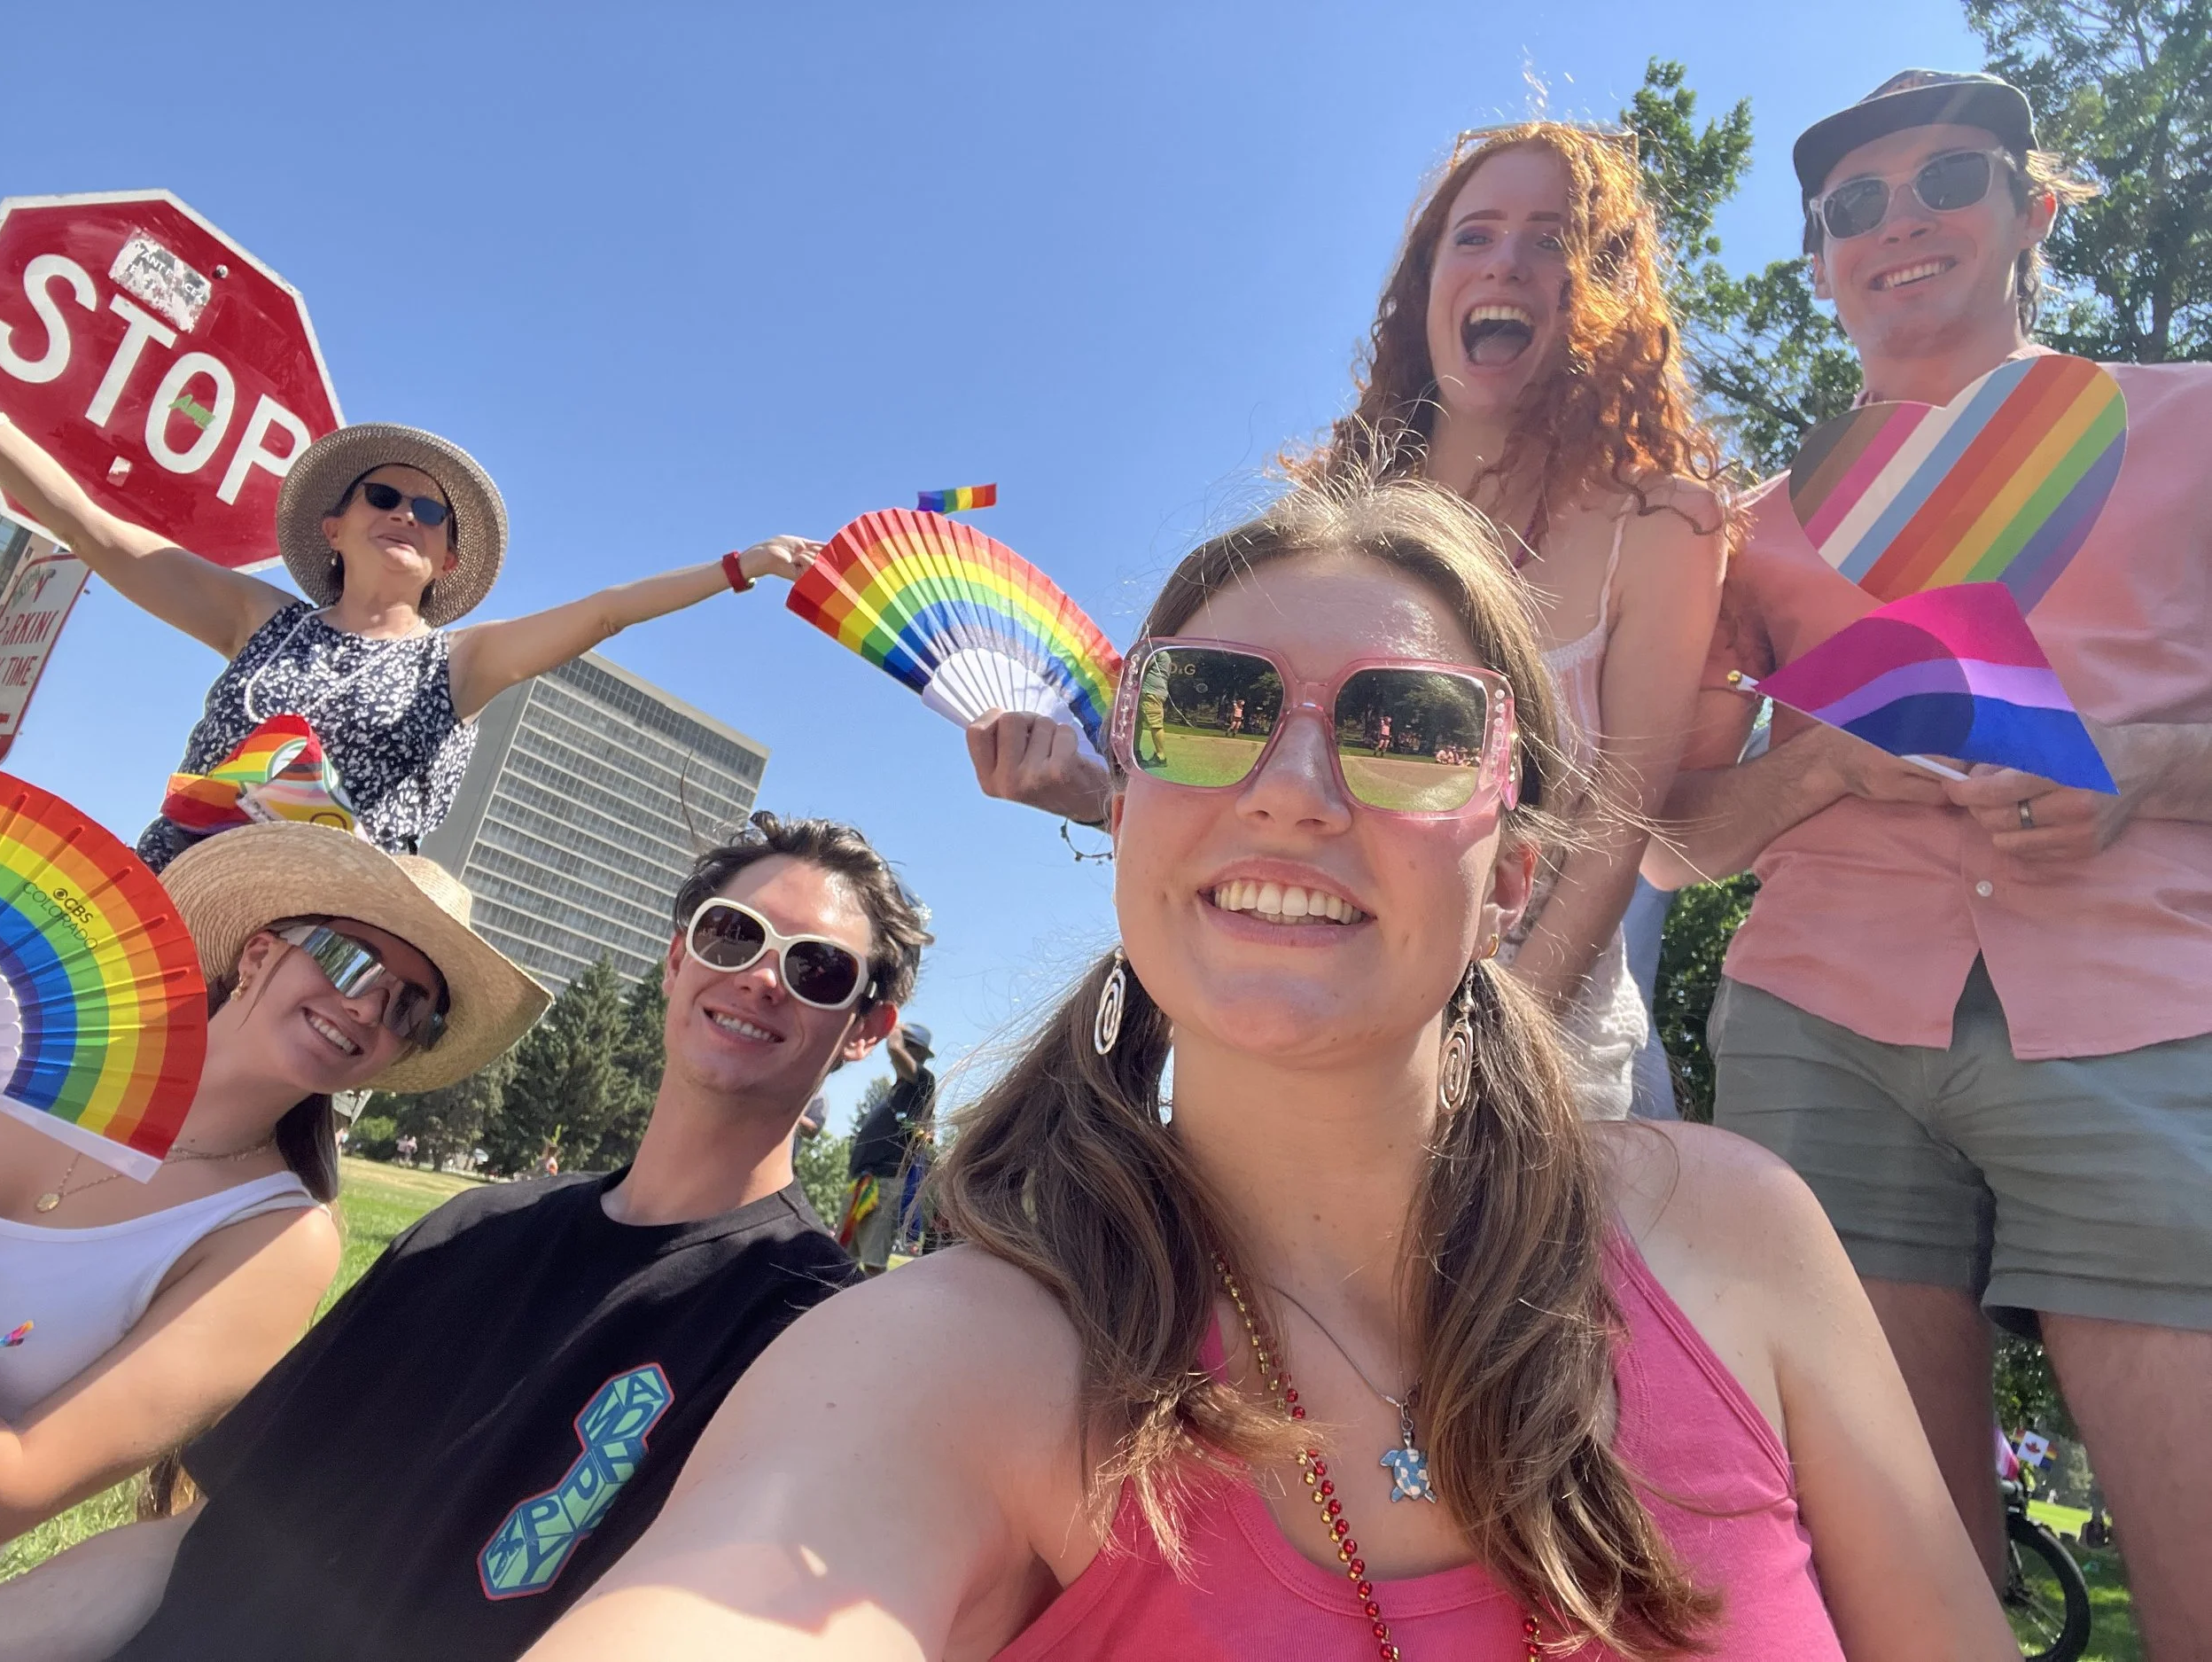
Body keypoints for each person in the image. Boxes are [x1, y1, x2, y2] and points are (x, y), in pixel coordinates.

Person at [523, 480, 2012, 1661]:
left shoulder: (1738, 1237)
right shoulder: (953, 1365)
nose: (1292, 792)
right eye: (1207, 708)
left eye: (1409, 730)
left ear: (1519, 874)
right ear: (1133, 808)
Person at [1647, 71, 2212, 1656]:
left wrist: (2143, 772)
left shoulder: (2193, 423)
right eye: (1851, 211)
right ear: (1823, 263)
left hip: (2145, 1018)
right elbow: (1680, 843)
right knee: (1906, 1602)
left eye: (1948, 180)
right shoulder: (1754, 532)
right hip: (1824, 1032)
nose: (1899, 224)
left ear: (2034, 208)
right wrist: (1825, 758)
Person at [0, 813, 931, 1662]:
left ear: (864, 1030)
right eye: (734, 935)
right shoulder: (469, 1230)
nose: (763, 977)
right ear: (679, 960)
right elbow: (187, 1543)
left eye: (817, 969)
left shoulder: (808, 1332)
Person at [970, 124, 1729, 1120]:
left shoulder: (1664, 523)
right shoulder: (1327, 507)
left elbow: (1609, 838)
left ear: (1603, 289)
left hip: (1546, 1070)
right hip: (1303, 1030)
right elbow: (1272, 789)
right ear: (1422, 286)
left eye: (1551, 240)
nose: (1506, 260)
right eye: (1474, 234)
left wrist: (1485, 1066)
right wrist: (1084, 786)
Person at [0, 819, 546, 1543]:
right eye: (351, 962)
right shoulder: (29, 1033)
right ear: (259, 952)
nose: (368, 1006)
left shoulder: (277, 1238)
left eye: (411, 1007)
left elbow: (23, 1484)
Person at [0, 415, 816, 870]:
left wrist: (742, 566)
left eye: (429, 513)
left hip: (317, 941)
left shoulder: (461, 661)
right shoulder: (258, 617)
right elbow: (89, 525)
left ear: (446, 559)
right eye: (382, 496)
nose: (405, 514)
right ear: (334, 528)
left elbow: (605, 612)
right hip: (178, 888)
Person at [839, 1023, 937, 1274]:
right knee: (842, 1257)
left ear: (913, 1050)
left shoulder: (924, 1081)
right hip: (864, 1183)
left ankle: (874, 1311)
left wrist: (892, 1024)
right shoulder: (897, 1091)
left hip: (886, 1184)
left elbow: (893, 1047)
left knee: (873, 1262)